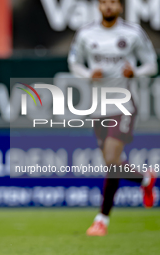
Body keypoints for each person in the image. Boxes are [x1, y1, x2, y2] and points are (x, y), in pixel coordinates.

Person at [68, 0, 158, 236]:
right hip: (98, 107)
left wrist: (136, 72)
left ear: (120, 7)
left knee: (111, 159)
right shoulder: (87, 34)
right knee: (113, 165)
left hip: (124, 103)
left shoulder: (132, 33)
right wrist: (88, 74)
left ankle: (101, 220)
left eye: (113, 2)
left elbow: (151, 64)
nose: (109, 6)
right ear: (99, 6)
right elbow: (74, 62)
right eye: (105, 2)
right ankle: (145, 179)